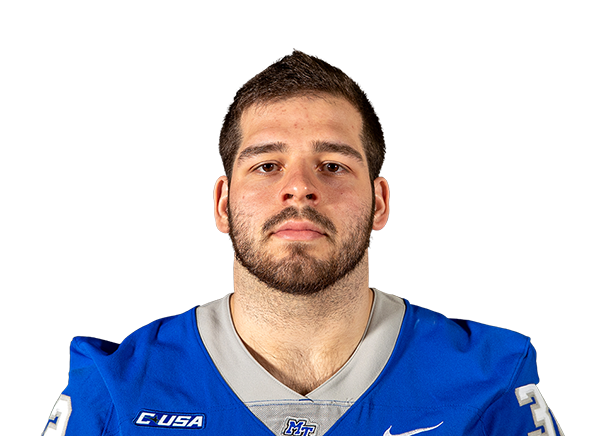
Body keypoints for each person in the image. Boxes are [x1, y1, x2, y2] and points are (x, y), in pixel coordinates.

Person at [43, 51, 563, 436]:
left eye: (332, 165)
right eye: (267, 165)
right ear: (222, 203)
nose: (299, 187)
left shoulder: (492, 381)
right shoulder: (115, 389)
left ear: (380, 203)